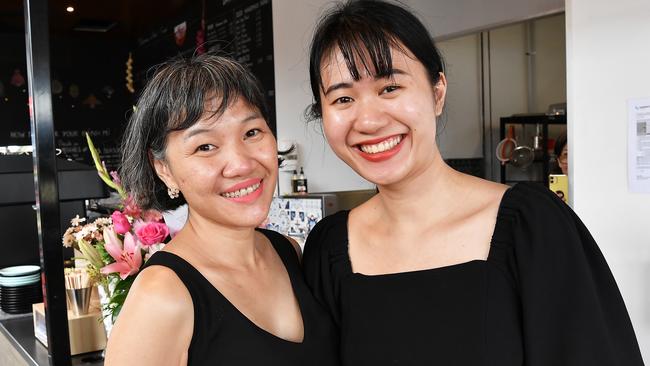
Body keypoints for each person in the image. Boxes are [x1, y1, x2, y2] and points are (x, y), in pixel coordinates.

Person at [302, 1, 644, 365]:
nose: (368, 120)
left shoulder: (533, 227)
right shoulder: (329, 250)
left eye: (390, 88)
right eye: (343, 98)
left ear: (437, 92)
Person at [104, 54, 339, 366]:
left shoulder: (287, 251)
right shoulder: (161, 296)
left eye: (252, 132)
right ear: (164, 169)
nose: (242, 164)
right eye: (205, 147)